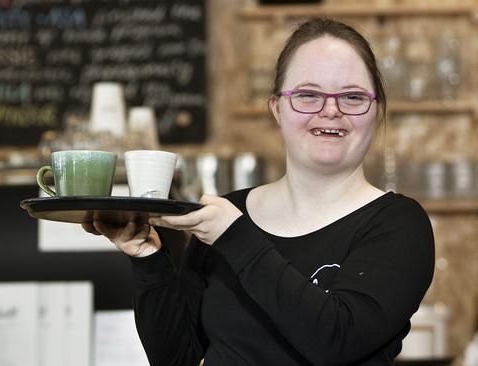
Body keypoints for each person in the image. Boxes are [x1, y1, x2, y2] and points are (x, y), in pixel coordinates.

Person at [83, 17, 435, 366]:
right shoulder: (229, 214)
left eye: (353, 96)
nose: (331, 110)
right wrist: (148, 259)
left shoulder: (398, 225)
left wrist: (234, 236)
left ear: (375, 111)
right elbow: (178, 359)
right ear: (277, 108)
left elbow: (336, 341)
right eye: (308, 95)